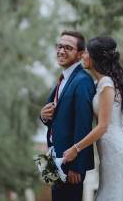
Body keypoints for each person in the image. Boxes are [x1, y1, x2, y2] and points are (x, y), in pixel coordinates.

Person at [62, 36, 123, 201]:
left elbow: (103, 126)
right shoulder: (98, 83)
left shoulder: (107, 84)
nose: (82, 56)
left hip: (117, 151)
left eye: (85, 52)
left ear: (95, 57)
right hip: (109, 151)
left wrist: (75, 149)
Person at [40, 30, 96, 201]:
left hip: (71, 166)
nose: (61, 51)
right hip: (55, 160)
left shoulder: (82, 81)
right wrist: (43, 115)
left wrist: (76, 167)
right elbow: (56, 117)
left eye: (68, 48)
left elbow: (84, 125)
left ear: (80, 54)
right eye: (59, 46)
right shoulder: (63, 78)